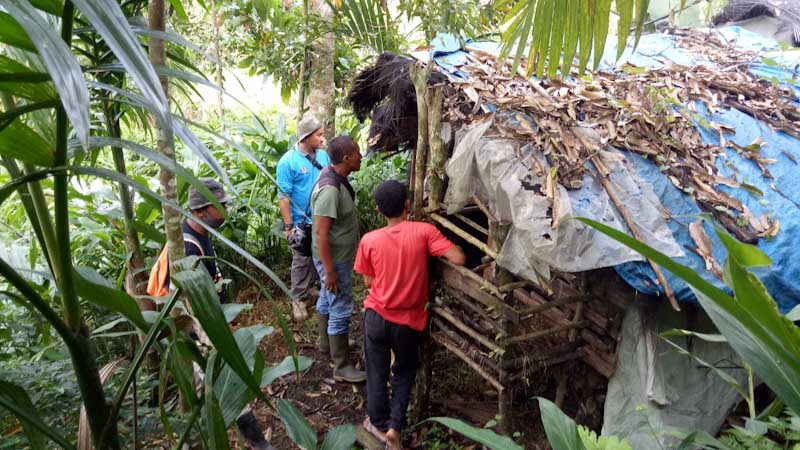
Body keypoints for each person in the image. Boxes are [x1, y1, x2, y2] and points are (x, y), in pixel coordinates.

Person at [354, 180, 465, 450]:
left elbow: (368, 282)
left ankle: (378, 426)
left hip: (377, 316)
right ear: (407, 205)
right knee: (404, 371)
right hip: (409, 321)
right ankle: (394, 426)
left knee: (376, 370)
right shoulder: (424, 232)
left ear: (380, 211)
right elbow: (458, 258)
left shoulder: (369, 240)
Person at [184, 179, 274, 450]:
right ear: (200, 211)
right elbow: (186, 303)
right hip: (196, 329)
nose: (224, 211)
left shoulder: (202, 234)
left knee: (206, 388)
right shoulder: (188, 246)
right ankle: (256, 442)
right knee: (223, 383)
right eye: (219, 207)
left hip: (209, 323)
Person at [311, 135, 365, 383]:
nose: (360, 156)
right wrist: (330, 270)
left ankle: (327, 343)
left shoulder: (334, 177)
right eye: (357, 152)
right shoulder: (331, 189)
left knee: (327, 297)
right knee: (341, 306)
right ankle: (341, 365)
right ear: (346, 158)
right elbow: (322, 233)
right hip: (334, 259)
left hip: (333, 258)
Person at [276, 115, 331, 321]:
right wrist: (289, 226)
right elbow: (284, 197)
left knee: (321, 255)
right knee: (301, 260)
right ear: (306, 137)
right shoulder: (287, 162)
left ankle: (314, 288)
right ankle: (298, 298)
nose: (322, 139)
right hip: (301, 221)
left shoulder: (323, 156)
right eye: (319, 135)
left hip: (322, 218)